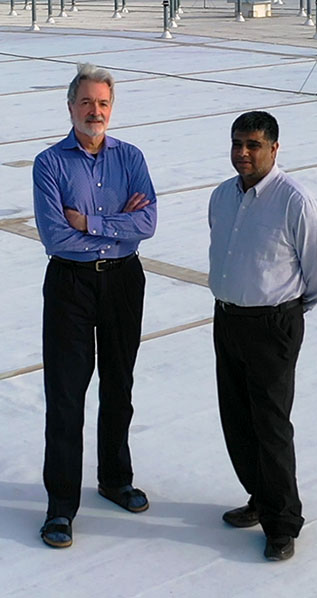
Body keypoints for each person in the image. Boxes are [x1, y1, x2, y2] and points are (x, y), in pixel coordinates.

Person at [33, 63, 157, 548]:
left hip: (124, 282)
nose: (95, 111)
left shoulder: (131, 157)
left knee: (119, 383)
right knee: (66, 395)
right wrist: (110, 224)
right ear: (70, 107)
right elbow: (55, 235)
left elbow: (147, 222)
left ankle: (114, 478)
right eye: (87, 102)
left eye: (103, 103)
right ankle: (61, 507)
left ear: (112, 108)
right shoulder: (50, 164)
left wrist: (90, 222)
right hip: (70, 285)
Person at [208, 111, 317, 561]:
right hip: (227, 320)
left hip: (272, 325)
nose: (243, 153)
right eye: (237, 144)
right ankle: (259, 498)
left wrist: (287, 314)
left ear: (274, 149)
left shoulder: (295, 200)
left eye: (253, 145)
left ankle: (282, 524)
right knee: (237, 418)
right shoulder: (223, 195)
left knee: (271, 424)